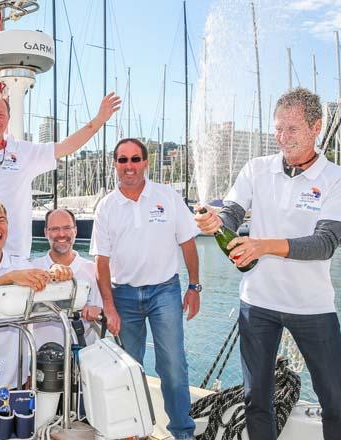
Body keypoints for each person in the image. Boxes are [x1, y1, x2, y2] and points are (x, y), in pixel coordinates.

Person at [195, 87, 341, 440]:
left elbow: (324, 243)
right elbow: (232, 213)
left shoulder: (338, 180)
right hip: (258, 304)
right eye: (278, 129)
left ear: (316, 128)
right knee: (256, 399)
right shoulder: (257, 169)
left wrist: (262, 246)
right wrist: (215, 223)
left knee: (334, 400)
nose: (282, 138)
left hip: (313, 307)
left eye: (293, 130)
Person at [90, 138, 201, 440]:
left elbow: (188, 242)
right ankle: (133, 433)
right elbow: (101, 262)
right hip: (123, 296)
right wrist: (109, 307)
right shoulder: (106, 207)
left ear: (146, 162)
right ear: (115, 164)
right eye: (123, 160)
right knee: (128, 369)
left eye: (135, 159)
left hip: (165, 293)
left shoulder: (167, 196)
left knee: (174, 366)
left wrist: (194, 286)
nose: (130, 166)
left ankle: (182, 433)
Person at [0, 91, 121, 258]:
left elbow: (66, 147)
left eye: (1, 115)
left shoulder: (25, 152)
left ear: (9, 118)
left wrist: (99, 119)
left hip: (13, 253)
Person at [0, 198, 72, 389]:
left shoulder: (19, 263)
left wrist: (57, 270)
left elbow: (43, 277)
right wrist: (9, 278)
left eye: (1, 220)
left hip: (18, 376)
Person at [32, 208, 104, 349]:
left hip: (86, 357)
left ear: (75, 230)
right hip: (42, 358)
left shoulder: (93, 270)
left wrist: (98, 310)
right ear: (46, 232)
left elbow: (105, 312)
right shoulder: (32, 269)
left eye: (67, 228)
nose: (61, 234)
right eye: (55, 229)